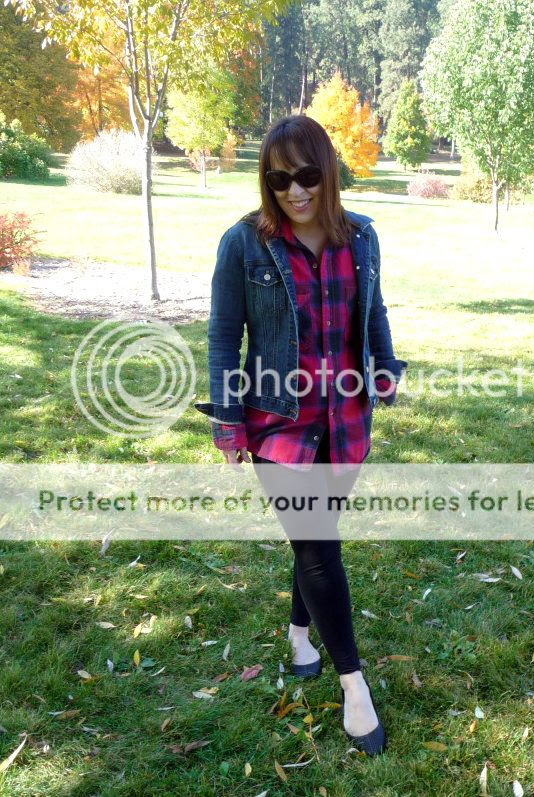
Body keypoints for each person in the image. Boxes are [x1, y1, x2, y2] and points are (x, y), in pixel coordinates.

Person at [194, 115, 407, 755]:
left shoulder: (361, 237)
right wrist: (228, 419)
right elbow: (223, 333)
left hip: (346, 419)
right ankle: (355, 690)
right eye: (279, 179)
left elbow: (374, 310)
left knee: (317, 537)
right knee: (317, 546)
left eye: (307, 175)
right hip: (278, 423)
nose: (295, 191)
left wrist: (385, 366)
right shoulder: (245, 243)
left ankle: (297, 634)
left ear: (329, 173)